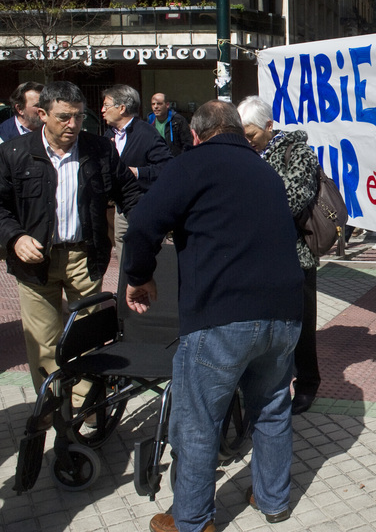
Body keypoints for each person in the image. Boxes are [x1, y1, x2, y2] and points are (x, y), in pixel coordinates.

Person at [123, 100, 303, 532]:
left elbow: (143, 223)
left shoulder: (192, 164)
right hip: (284, 314)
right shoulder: (265, 171)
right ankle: (274, 500)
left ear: (198, 135)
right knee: (273, 408)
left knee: (199, 420)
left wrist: (138, 276)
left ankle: (192, 519)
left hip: (221, 316)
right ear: (240, 132)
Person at [0, 81, 141, 401]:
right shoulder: (15, 153)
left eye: (78, 117)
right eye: (64, 117)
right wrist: (15, 237)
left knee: (87, 336)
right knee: (43, 342)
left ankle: (81, 410)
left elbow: (130, 194)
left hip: (85, 256)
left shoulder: (99, 150)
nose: (73, 125)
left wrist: (147, 229)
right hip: (34, 263)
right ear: (42, 114)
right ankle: (52, 408)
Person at [237, 95, 321, 415]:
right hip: (257, 256)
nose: (246, 141)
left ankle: (307, 382)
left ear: (269, 127)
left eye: (251, 135)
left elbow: (293, 201)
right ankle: (266, 382)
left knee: (300, 324)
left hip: (295, 255)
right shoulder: (247, 154)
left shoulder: (298, 153)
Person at [102, 85, 173, 267]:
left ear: (122, 108)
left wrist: (138, 172)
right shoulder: (108, 135)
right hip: (119, 207)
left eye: (106, 105)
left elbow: (167, 167)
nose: (102, 110)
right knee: (124, 255)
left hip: (144, 204)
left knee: (148, 256)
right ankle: (126, 290)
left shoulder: (146, 133)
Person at [147, 92, 193, 157]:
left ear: (167, 105)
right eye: (153, 104)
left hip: (175, 160)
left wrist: (181, 159)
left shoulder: (178, 120)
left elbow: (187, 143)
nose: (156, 106)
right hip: (157, 160)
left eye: (159, 104)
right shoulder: (149, 121)